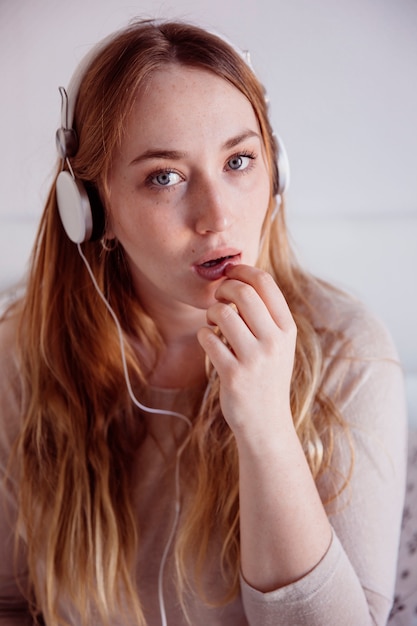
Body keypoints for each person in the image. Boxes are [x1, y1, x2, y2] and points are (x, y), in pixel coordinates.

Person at [0, 18, 407, 626]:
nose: (217, 217)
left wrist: (266, 427)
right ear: (89, 209)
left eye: (239, 160)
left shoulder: (351, 353)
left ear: (277, 172)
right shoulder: (20, 357)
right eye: (165, 176)